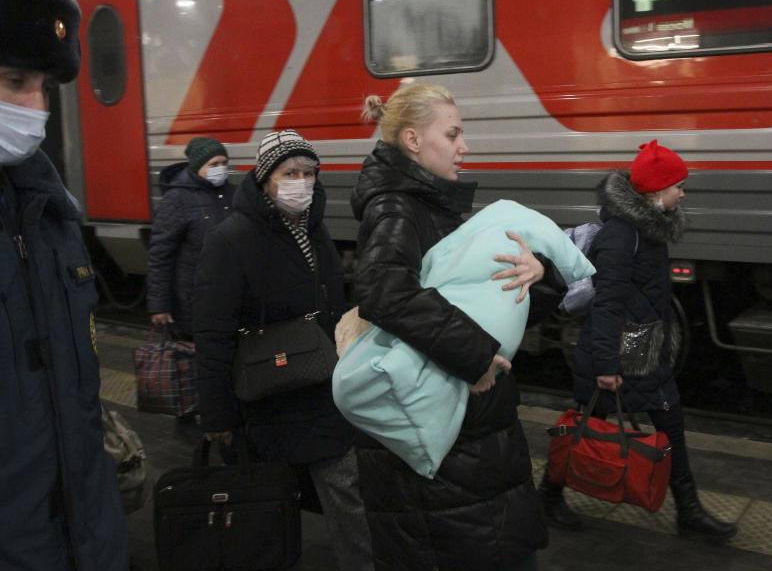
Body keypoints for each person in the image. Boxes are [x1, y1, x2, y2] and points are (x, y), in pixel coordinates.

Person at [351, 83, 567, 571]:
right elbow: (384, 291)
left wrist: (538, 277)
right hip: (449, 456)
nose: (464, 146)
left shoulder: (432, 206)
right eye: (452, 134)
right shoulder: (396, 208)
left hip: (471, 445)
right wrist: (474, 354)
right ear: (412, 140)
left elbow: (489, 303)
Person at [192, 129, 373, 570]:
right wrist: (216, 415)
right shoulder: (230, 239)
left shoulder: (315, 230)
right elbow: (212, 333)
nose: (302, 182)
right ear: (264, 178)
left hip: (321, 391)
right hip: (266, 396)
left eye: (309, 173)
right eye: (290, 172)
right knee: (271, 504)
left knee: (348, 497)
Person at [541, 140, 738, 541]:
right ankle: (547, 496)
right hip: (623, 352)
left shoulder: (647, 228)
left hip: (644, 348)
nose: (682, 193)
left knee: (659, 425)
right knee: (589, 424)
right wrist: (608, 367)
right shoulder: (621, 237)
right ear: (655, 191)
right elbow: (607, 305)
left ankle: (688, 511)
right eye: (677, 186)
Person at [0, 0, 129, 570]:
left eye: (45, 87)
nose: (34, 106)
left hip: (82, 535)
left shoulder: (50, 217)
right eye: (14, 80)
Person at [147, 136, 235, 339]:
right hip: (194, 300)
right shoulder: (176, 199)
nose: (220, 168)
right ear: (196, 166)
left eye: (224, 163)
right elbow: (160, 256)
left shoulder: (231, 194)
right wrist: (159, 305)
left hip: (229, 295)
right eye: (213, 164)